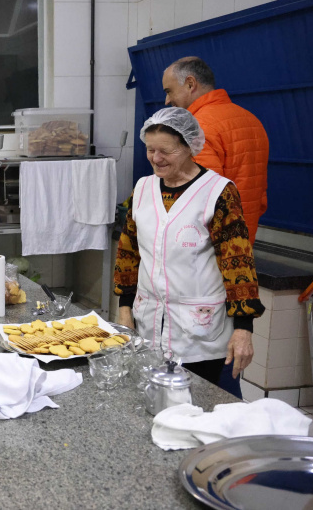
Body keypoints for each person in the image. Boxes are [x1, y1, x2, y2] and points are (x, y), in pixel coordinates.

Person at [115, 107, 264, 389]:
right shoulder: (143, 188)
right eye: (150, 149)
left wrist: (244, 329)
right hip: (149, 320)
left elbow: (238, 263)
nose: (155, 159)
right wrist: (125, 309)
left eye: (165, 151)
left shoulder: (218, 192)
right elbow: (128, 253)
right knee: (154, 401)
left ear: (189, 146)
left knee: (209, 409)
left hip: (201, 329)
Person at [161, 56, 269, 243]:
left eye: (169, 91)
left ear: (190, 84)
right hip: (242, 239)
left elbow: (199, 199)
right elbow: (260, 196)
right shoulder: (251, 120)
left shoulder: (197, 128)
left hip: (207, 247)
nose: (167, 100)